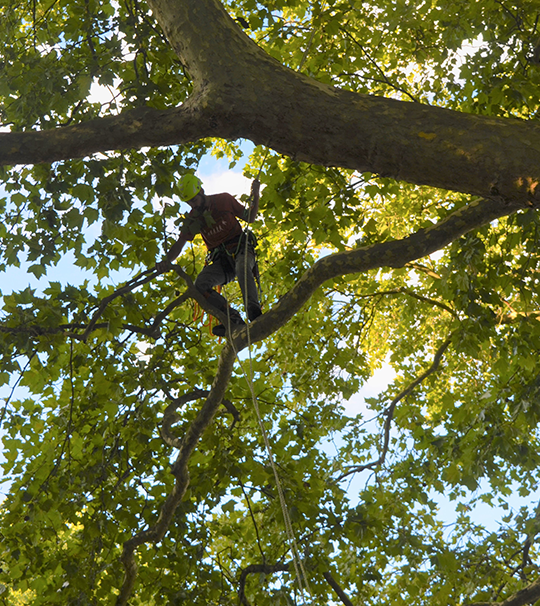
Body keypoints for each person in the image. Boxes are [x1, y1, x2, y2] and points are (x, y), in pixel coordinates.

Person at [156, 174, 262, 337]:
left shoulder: (223, 200)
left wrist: (256, 195)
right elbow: (179, 243)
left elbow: (250, 217)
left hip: (241, 249)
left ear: (201, 191)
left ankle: (254, 311)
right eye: (189, 202)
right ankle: (231, 317)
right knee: (201, 284)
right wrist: (166, 261)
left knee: (242, 268)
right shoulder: (193, 219)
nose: (193, 205)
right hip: (222, 262)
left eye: (194, 200)